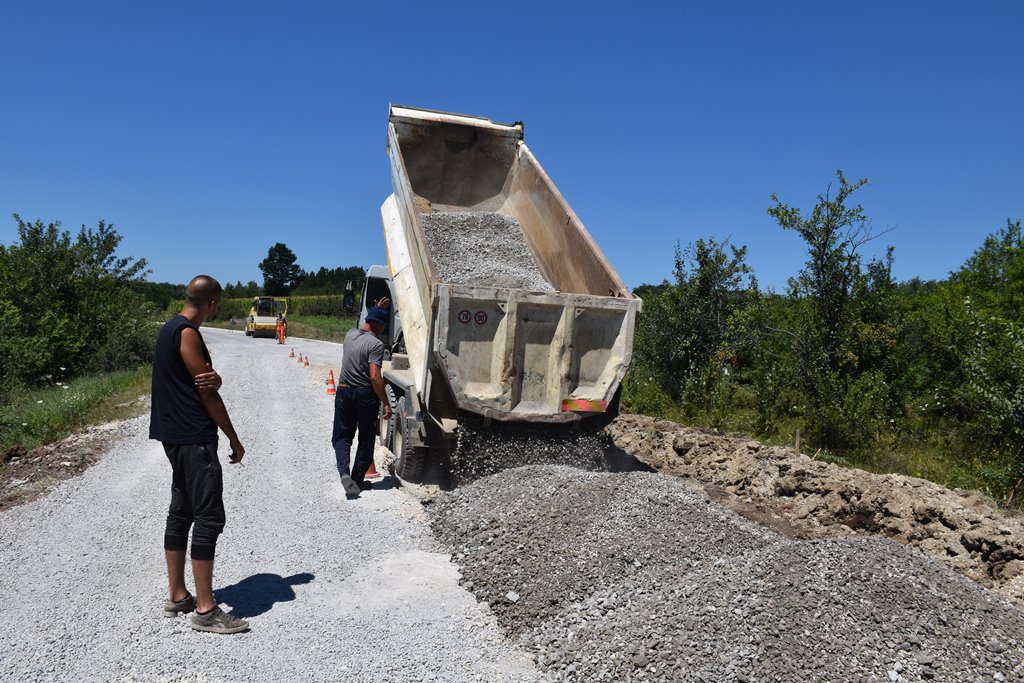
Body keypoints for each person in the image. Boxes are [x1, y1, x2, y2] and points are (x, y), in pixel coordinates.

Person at [149, 275, 249, 634]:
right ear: (213, 303)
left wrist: (214, 378)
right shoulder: (188, 333)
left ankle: (178, 595)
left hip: (172, 436)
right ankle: (205, 609)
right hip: (194, 438)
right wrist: (234, 438)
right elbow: (206, 392)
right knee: (208, 517)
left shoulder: (168, 330)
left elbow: (200, 379)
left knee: (181, 511)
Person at [332, 299, 393, 498]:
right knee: (366, 438)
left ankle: (344, 474)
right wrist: (385, 401)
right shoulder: (375, 344)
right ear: (377, 325)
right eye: (382, 325)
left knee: (342, 437)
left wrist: (377, 310)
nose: (383, 329)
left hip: (343, 391)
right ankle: (357, 479)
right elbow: (375, 376)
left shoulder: (350, 335)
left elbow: (367, 322)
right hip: (364, 394)